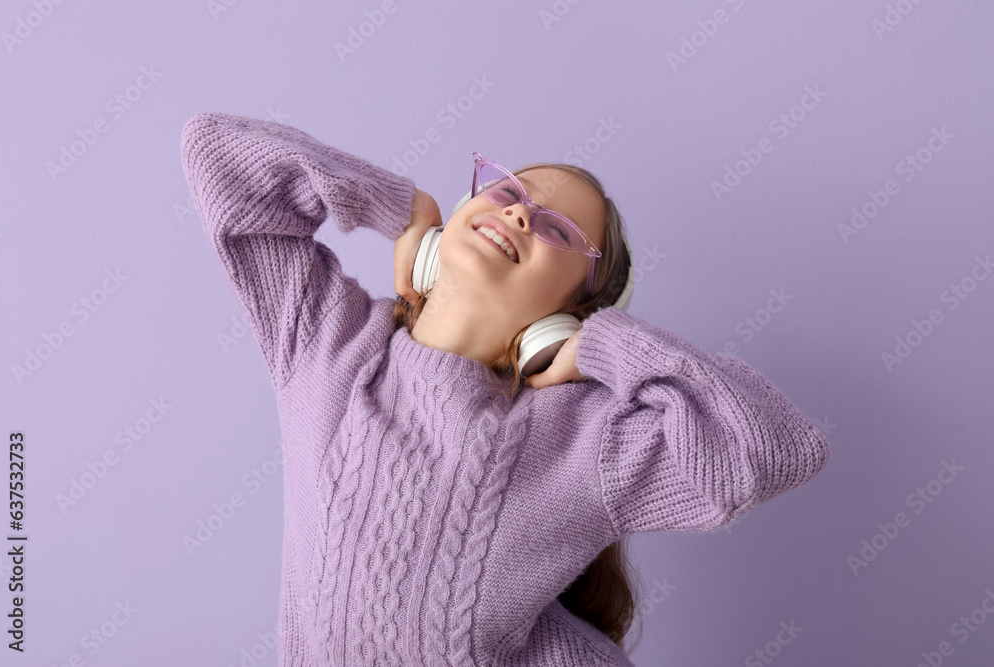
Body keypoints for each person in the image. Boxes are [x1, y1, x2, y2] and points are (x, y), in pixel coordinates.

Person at [181, 112, 831, 667]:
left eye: (558, 230)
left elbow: (770, 449)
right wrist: (395, 206)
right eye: (507, 191)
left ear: (568, 311)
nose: (520, 211)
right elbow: (216, 153)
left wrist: (604, 344)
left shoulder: (580, 439)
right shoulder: (327, 342)